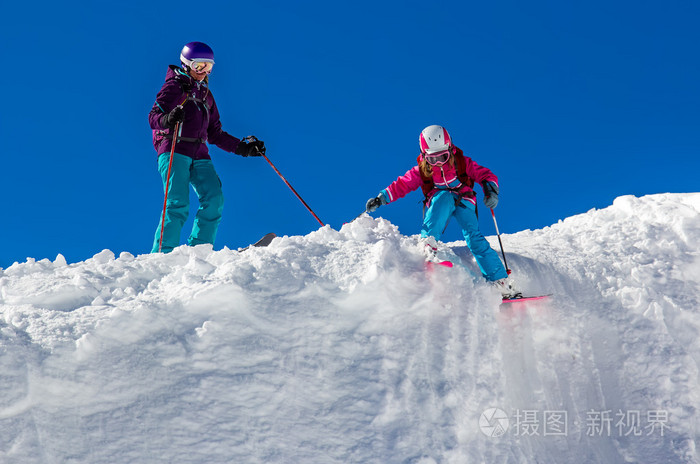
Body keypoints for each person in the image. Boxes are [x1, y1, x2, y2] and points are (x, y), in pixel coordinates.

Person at [365, 125, 521, 298]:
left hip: (464, 199)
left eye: (443, 156)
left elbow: (485, 175)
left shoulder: (462, 163)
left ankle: (500, 282)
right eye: (433, 159)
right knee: (444, 196)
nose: (439, 162)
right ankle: (428, 242)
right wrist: (381, 198)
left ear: (450, 149)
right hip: (440, 201)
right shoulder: (422, 171)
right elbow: (402, 184)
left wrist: (490, 190)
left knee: (474, 238)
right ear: (425, 156)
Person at [148, 41, 265, 253]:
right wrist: (169, 118)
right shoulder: (174, 86)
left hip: (200, 153)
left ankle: (199, 251)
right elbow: (153, 117)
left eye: (209, 67)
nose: (204, 72)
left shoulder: (206, 96)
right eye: (199, 66)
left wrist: (243, 148)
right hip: (174, 149)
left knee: (214, 198)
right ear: (186, 65)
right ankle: (163, 255)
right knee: (177, 203)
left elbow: (216, 133)